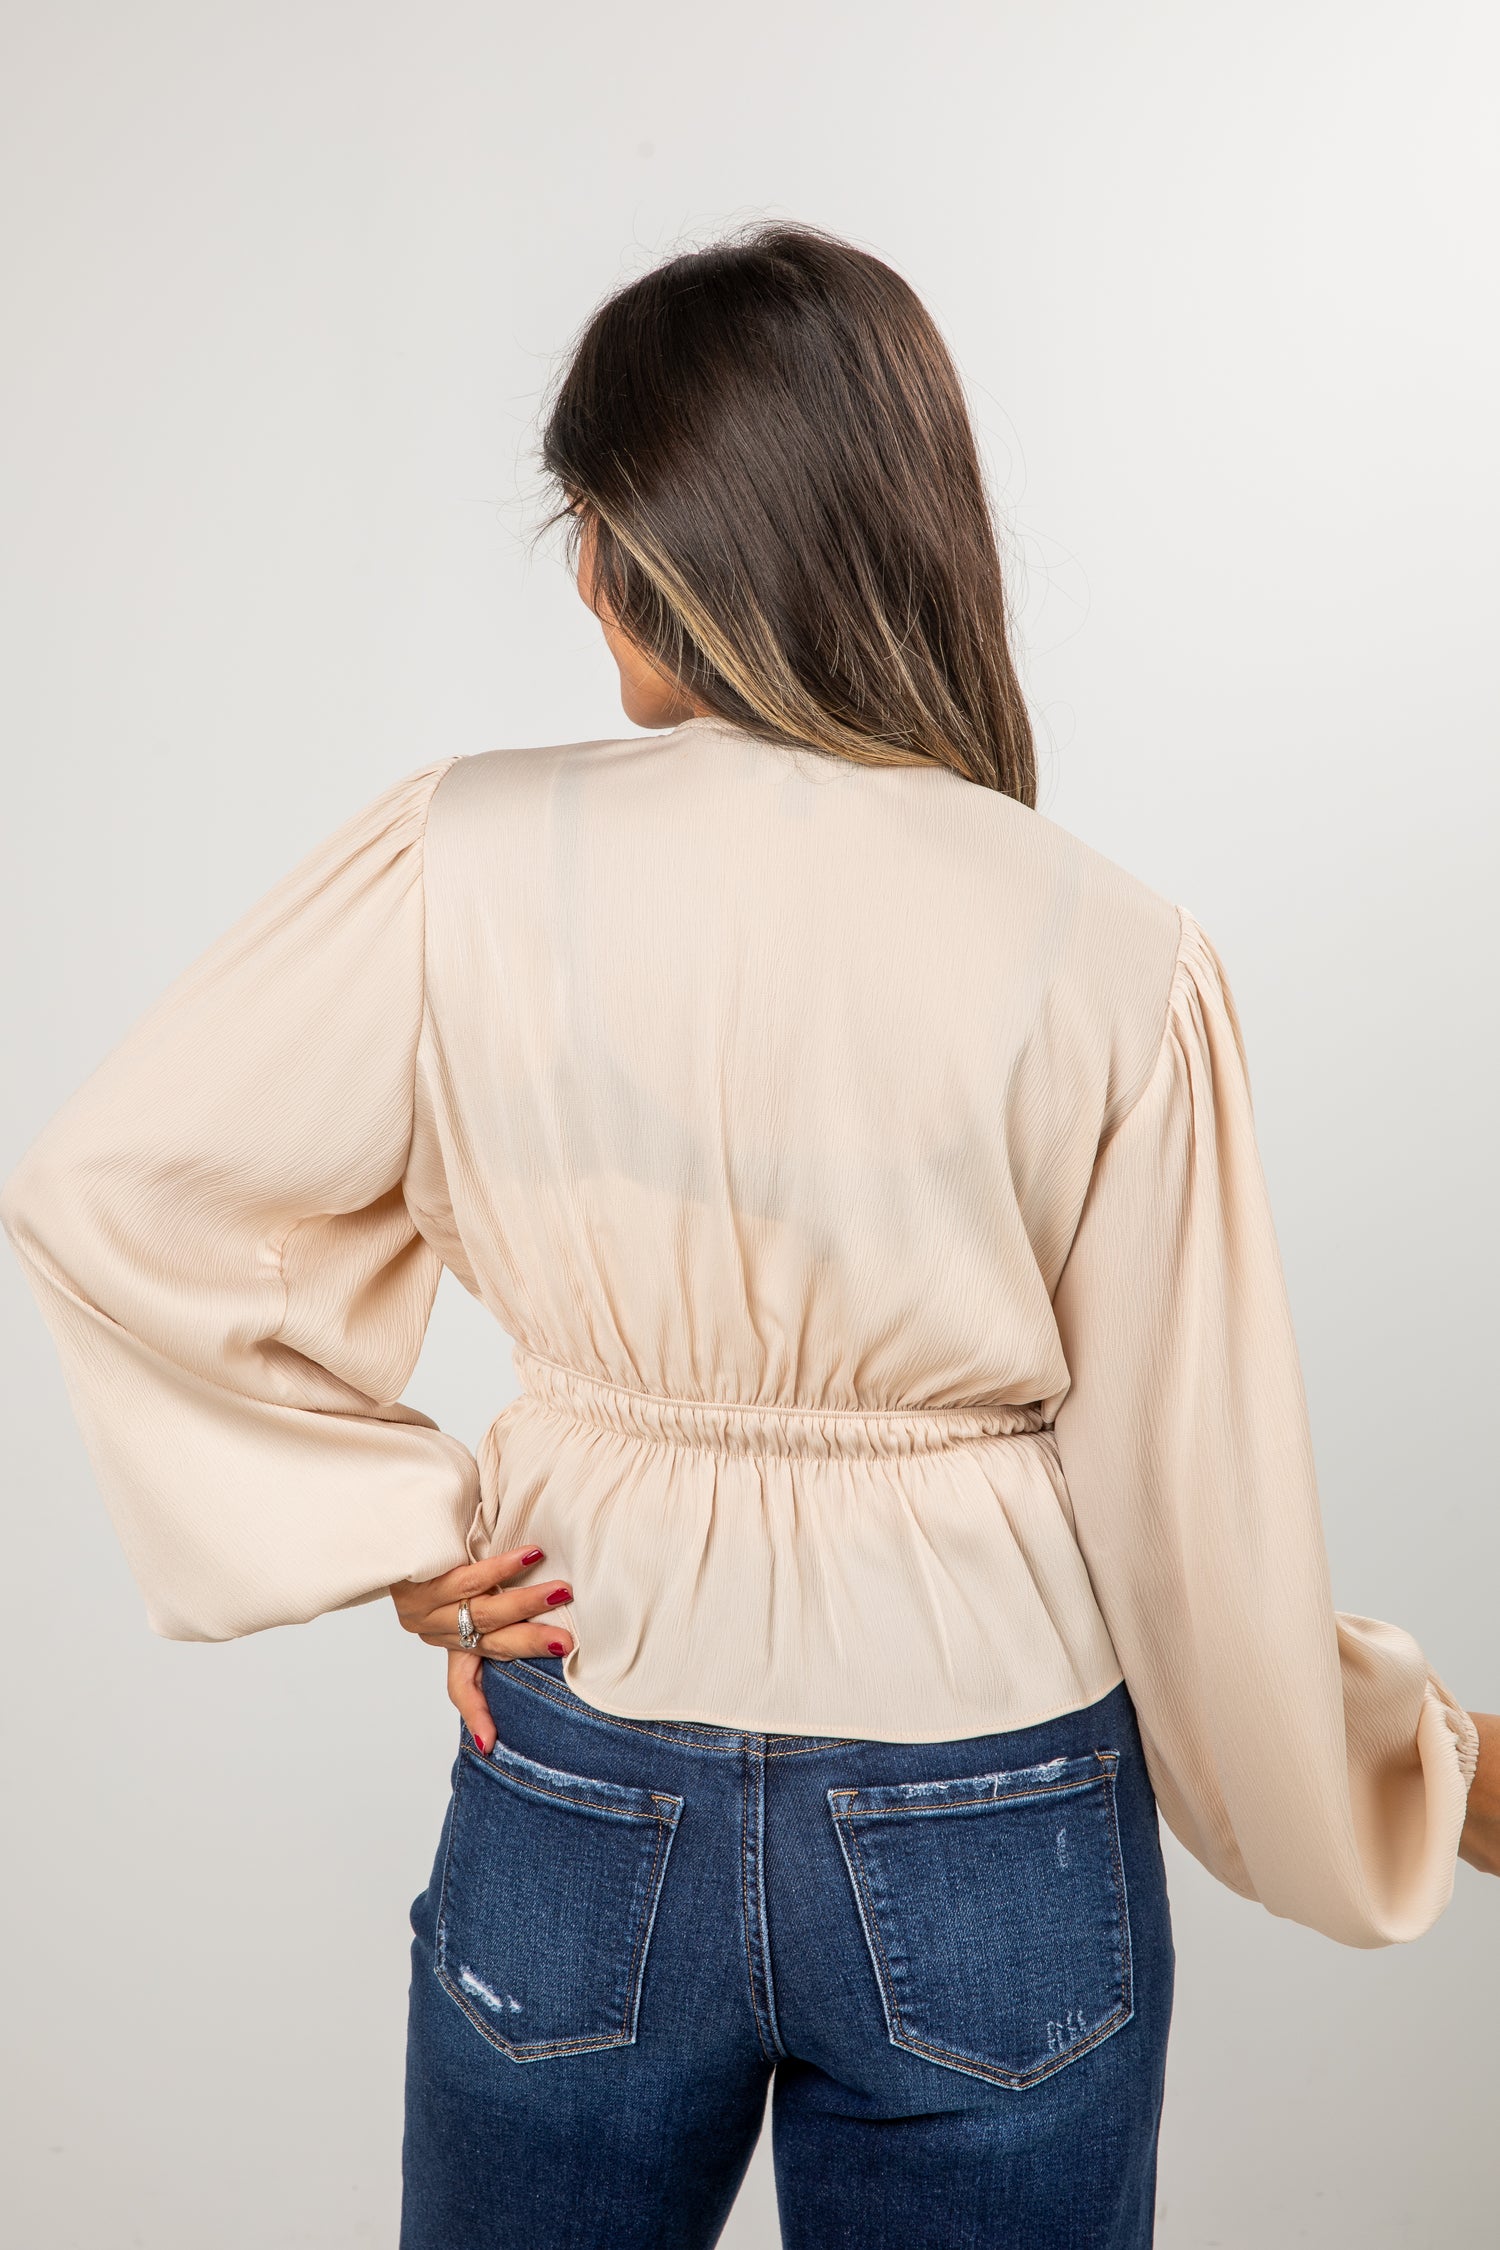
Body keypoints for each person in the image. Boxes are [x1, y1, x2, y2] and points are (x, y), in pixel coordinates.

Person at [2, 221, 1494, 2250]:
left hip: (584, 1728)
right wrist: (1426, 1764)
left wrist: (390, 1529)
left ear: (644, 545)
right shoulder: (1115, 949)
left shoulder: (461, 858)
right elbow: (1192, 1518)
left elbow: (114, 1192)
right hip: (995, 1799)